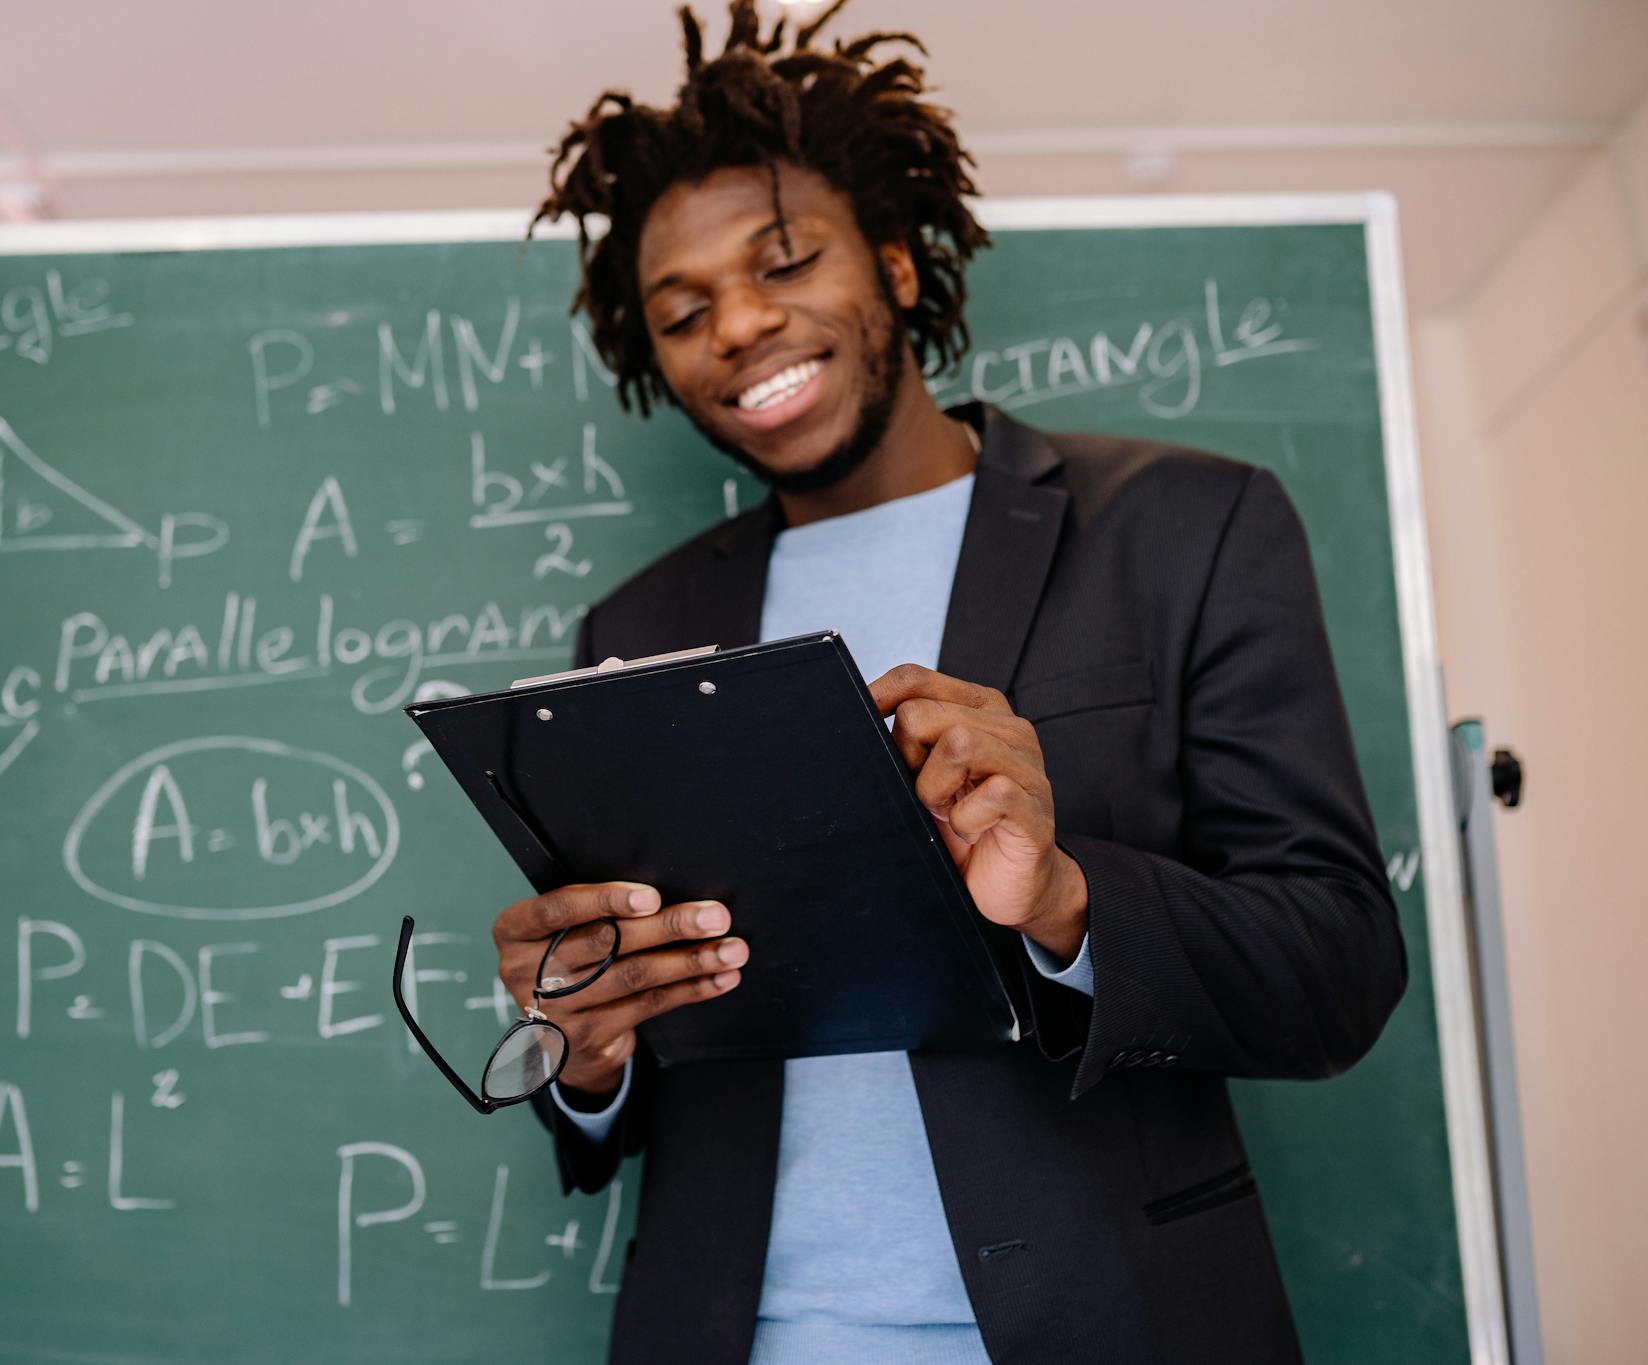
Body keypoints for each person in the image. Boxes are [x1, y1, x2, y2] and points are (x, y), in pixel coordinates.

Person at [489, 3, 1407, 1361]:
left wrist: (1064, 895)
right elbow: (632, 1100)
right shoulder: (639, 625)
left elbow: (1337, 963)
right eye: (681, 312)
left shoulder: (1185, 528)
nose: (738, 324)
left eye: (785, 260)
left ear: (903, 268)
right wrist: (588, 1048)